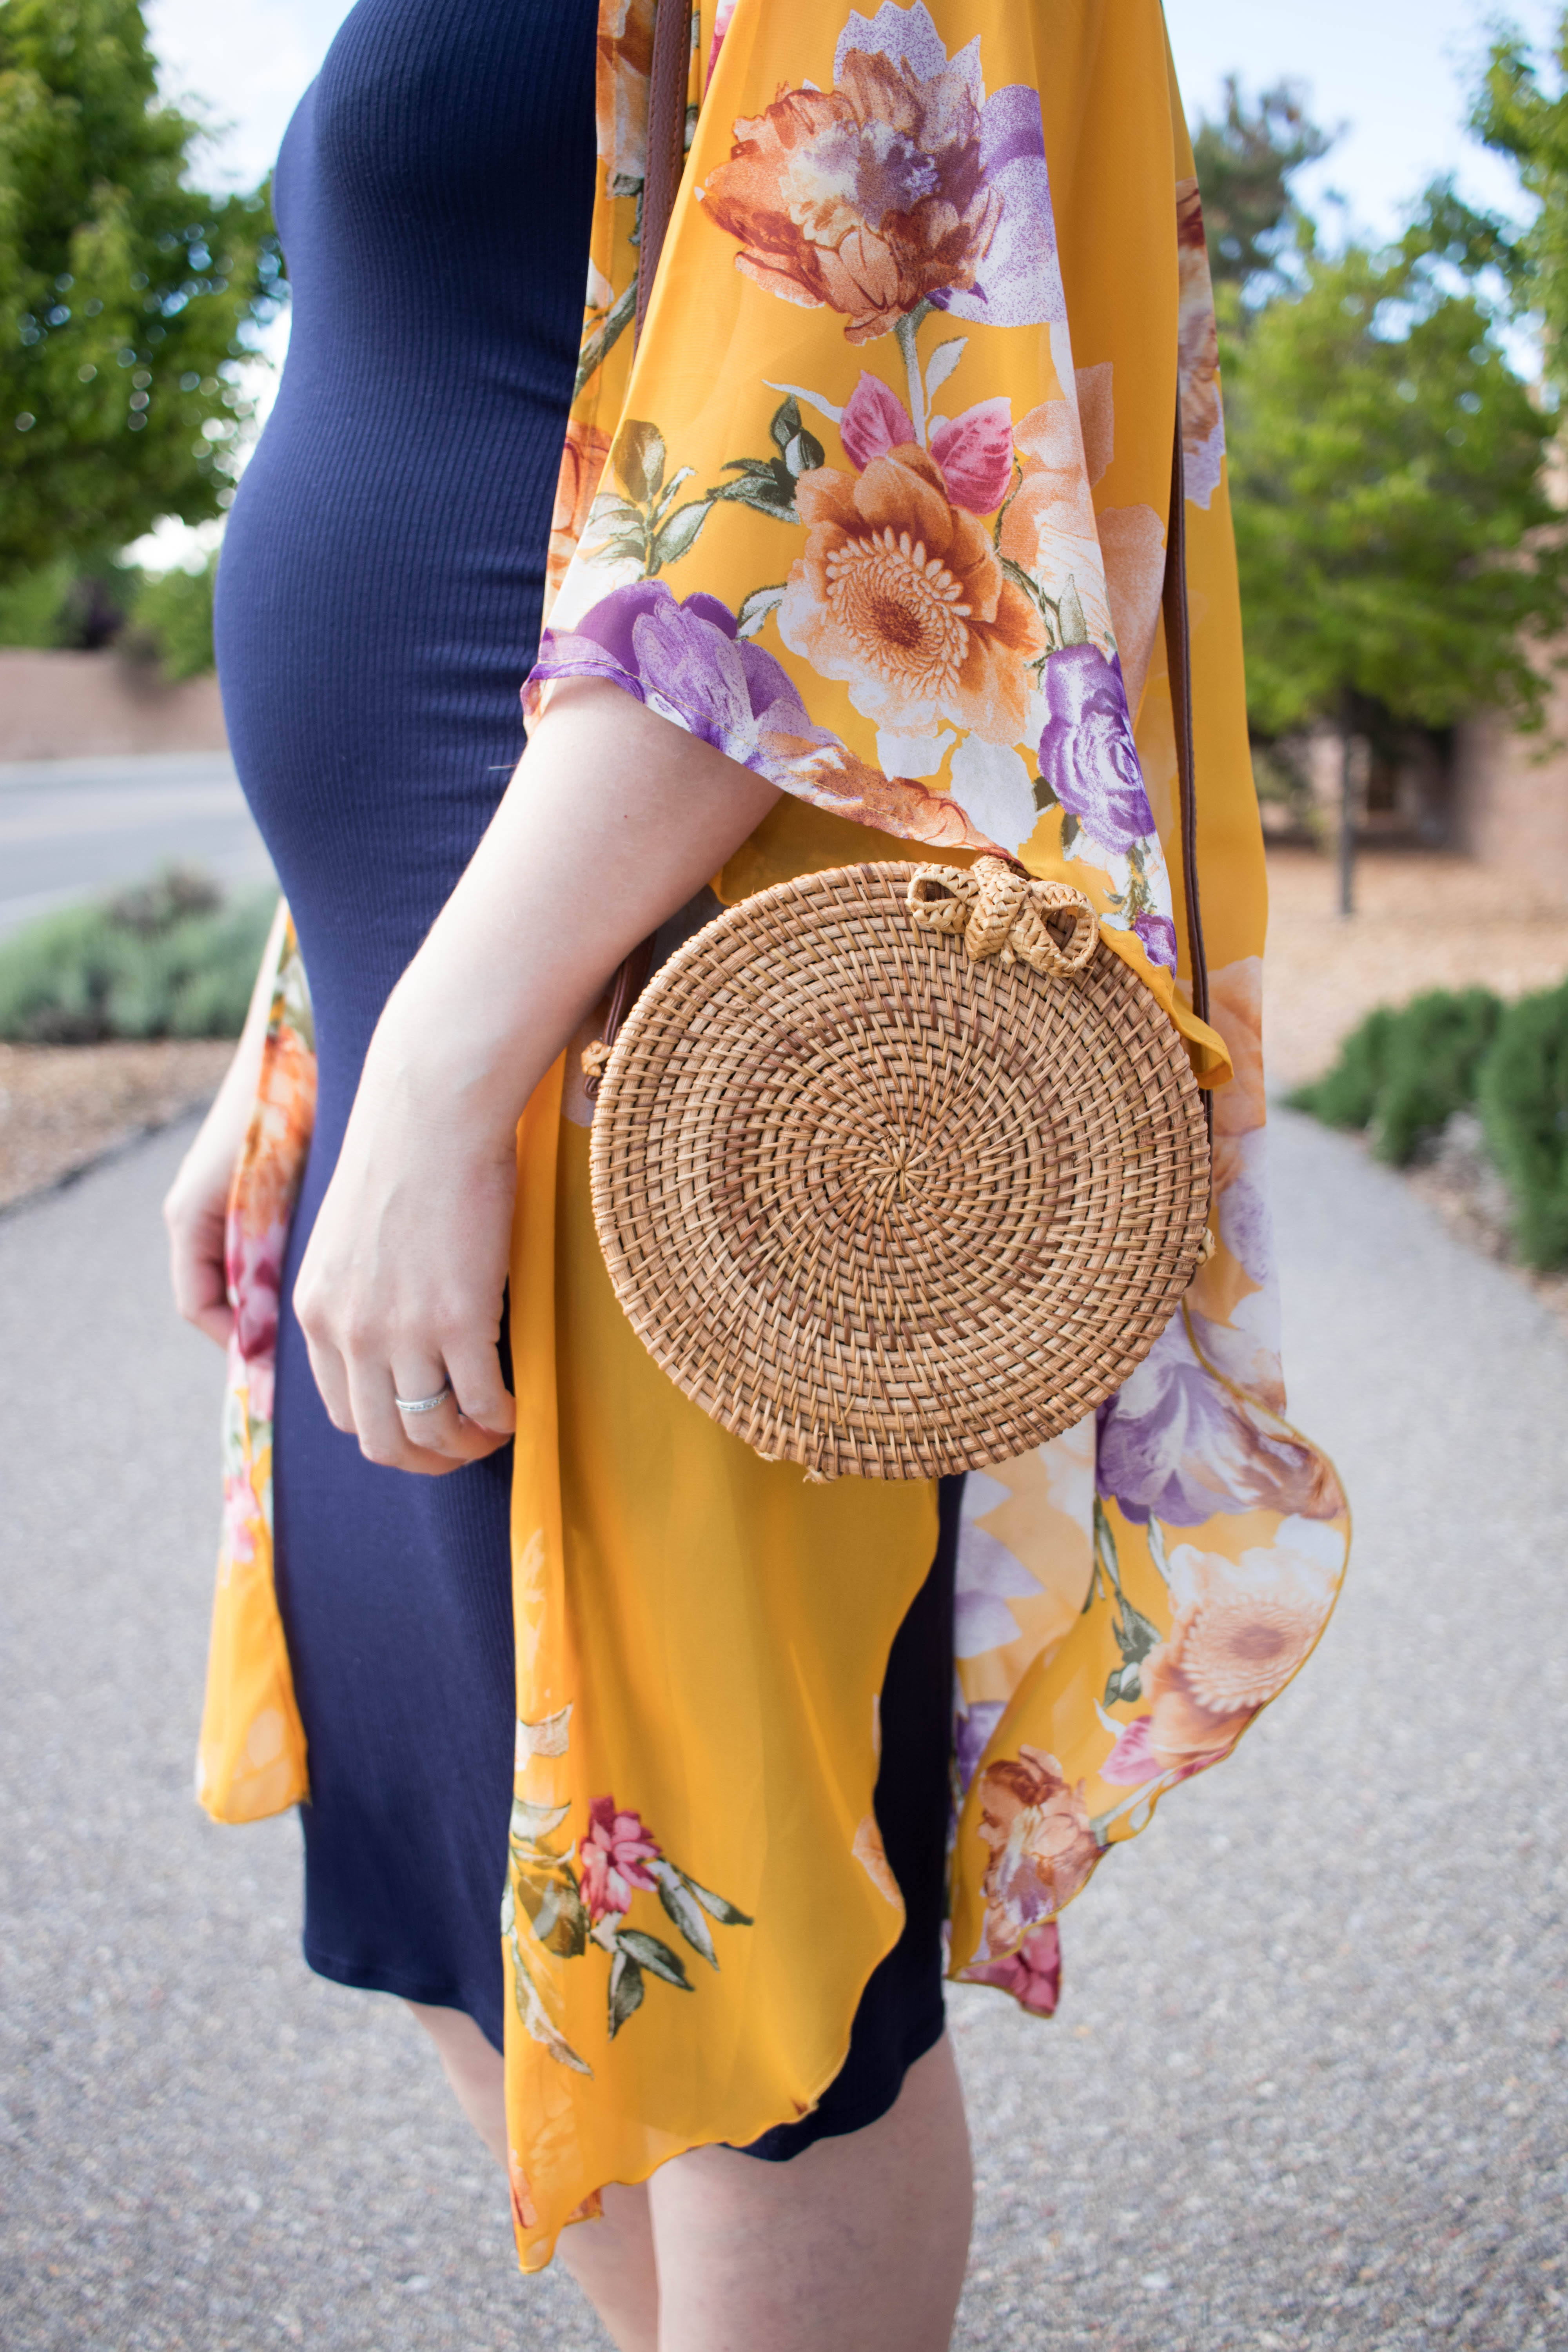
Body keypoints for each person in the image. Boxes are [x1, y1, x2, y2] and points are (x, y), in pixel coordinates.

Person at [164, 3, 1348, 2347]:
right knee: (450, 1853)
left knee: (743, 1942)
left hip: (665, 1023)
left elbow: (816, 440)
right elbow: (467, 425)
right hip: (427, 989)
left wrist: (449, 1064)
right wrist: (303, 1027)